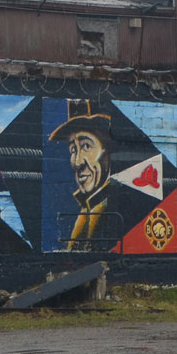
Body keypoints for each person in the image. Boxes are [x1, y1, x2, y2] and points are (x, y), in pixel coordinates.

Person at [48, 100, 127, 252]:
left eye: (86, 146)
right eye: (73, 150)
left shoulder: (116, 209)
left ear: (108, 151)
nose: (77, 162)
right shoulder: (87, 210)